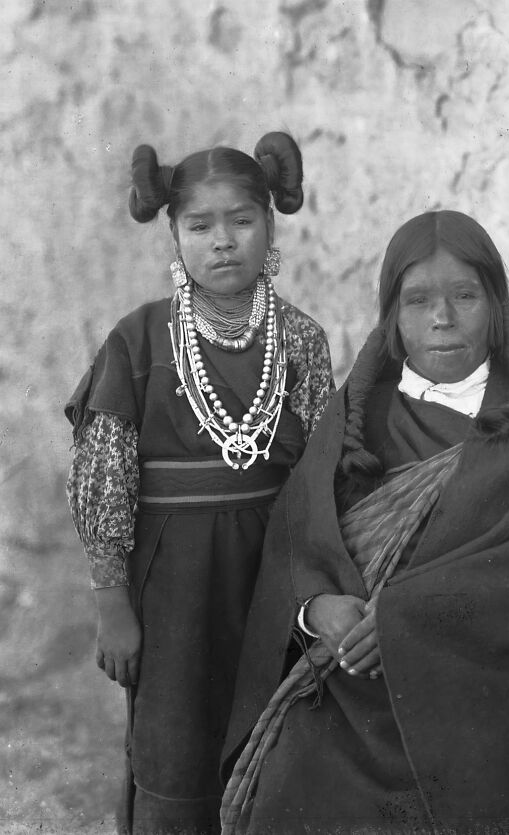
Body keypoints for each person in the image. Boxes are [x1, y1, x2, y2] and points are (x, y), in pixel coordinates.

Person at [219, 211, 509, 835]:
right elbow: (297, 540)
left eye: (465, 296)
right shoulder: (354, 418)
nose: (442, 318)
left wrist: (407, 622)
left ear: (496, 308)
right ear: (392, 314)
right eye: (418, 300)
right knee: (292, 781)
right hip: (359, 694)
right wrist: (316, 608)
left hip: (499, 695)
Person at [65, 132, 334, 835]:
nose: (223, 241)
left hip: (271, 570)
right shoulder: (138, 339)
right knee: (176, 738)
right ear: (174, 236)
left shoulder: (301, 339)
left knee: (275, 731)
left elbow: (321, 474)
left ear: (269, 226)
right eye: (200, 225)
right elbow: (104, 478)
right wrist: (112, 603)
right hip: (173, 579)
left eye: (241, 221)